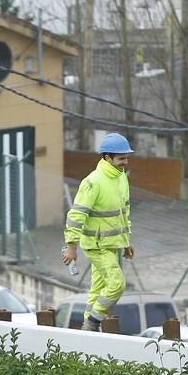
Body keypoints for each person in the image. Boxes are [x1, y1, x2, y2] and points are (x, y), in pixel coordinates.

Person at [62, 132, 134, 331]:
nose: (125, 162)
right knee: (117, 284)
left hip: (112, 245)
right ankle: (94, 321)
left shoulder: (121, 179)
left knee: (97, 290)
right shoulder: (92, 182)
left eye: (126, 158)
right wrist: (71, 248)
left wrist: (126, 242)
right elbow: (76, 216)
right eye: (121, 158)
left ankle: (88, 331)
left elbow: (123, 213)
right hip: (96, 246)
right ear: (107, 157)